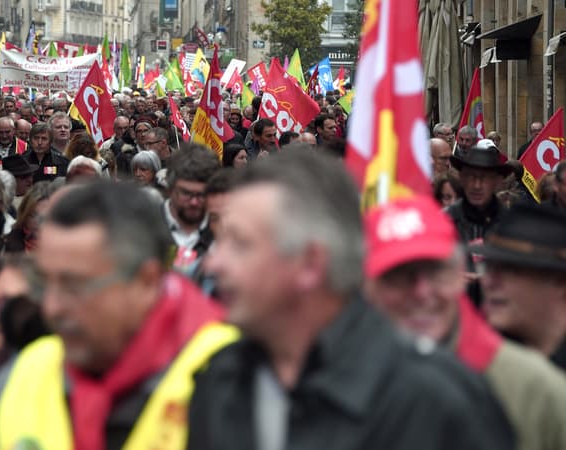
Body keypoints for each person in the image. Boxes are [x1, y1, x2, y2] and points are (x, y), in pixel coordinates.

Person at [189, 148, 514, 450]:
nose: (213, 264)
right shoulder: (219, 381)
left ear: (310, 263)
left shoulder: (436, 403)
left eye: (240, 244)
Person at [0, 181, 237, 450]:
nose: (52, 307)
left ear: (146, 282)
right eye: (46, 284)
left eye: (75, 286)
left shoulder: (231, 377)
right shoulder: (27, 371)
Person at [364, 196, 566, 450]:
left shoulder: (536, 389)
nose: (422, 292)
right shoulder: (327, 379)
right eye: (399, 277)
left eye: (435, 271)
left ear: (458, 274)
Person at [475, 203, 566, 370]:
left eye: (510, 269)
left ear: (559, 281)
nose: (488, 282)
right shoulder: (477, 364)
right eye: (489, 267)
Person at [446, 138, 512, 301]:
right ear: (461, 178)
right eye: (471, 177)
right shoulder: (443, 221)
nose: (477, 185)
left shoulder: (512, 226)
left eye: (484, 178)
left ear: (497, 181)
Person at [163, 144, 219, 274]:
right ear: (170, 189)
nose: (194, 202)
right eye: (186, 193)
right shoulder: (145, 227)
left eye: (201, 195)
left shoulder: (224, 231)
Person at [0, 181, 57, 274]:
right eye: (33, 215)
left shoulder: (72, 251)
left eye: (47, 217)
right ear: (24, 215)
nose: (40, 223)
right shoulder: (2, 247)